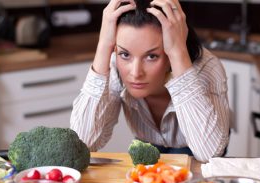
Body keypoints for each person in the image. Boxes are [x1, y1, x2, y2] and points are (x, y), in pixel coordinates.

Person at [70, 0, 230, 162]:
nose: (135, 73)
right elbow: (82, 143)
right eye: (125, 54)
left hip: (197, 154)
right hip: (146, 146)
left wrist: (178, 53)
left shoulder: (206, 68)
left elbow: (209, 154)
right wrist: (104, 45)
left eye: (151, 56)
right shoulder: (114, 64)